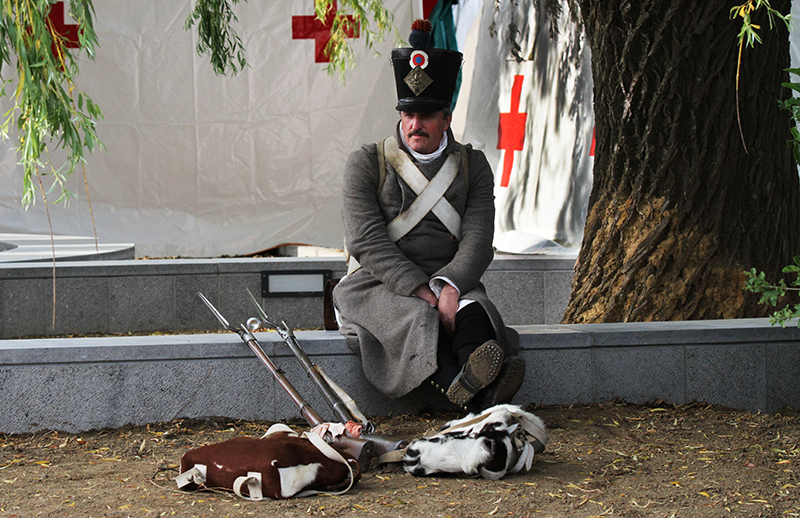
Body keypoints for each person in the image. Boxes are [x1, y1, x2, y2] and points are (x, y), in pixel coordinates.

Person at [333, 20, 524, 412]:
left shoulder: (473, 165)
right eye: (408, 114)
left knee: (476, 312)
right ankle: (477, 395)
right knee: (419, 318)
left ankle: (473, 380)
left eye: (426, 115)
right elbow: (365, 240)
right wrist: (424, 291)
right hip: (377, 283)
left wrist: (451, 286)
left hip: (451, 277)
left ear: (446, 118)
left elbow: (477, 238)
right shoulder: (367, 163)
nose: (415, 124)